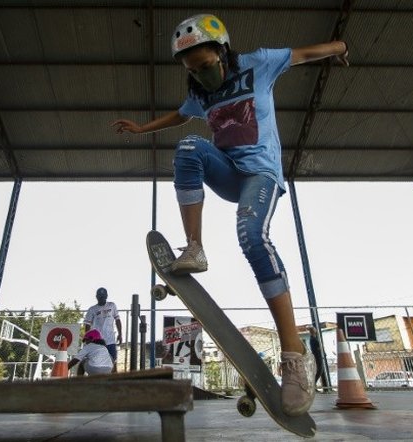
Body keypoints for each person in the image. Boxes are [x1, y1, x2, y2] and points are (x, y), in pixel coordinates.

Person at [112, 14, 348, 416]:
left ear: (222, 52)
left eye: (205, 66)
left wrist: (340, 48)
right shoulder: (199, 93)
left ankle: (295, 357)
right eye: (192, 71)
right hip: (228, 173)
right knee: (189, 146)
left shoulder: (260, 63)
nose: (201, 76)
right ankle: (195, 247)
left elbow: (306, 54)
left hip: (261, 176)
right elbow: (180, 116)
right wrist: (140, 129)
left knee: (252, 237)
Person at [83, 287, 122, 371]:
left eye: (103, 296)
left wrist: (120, 334)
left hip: (110, 340)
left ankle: (115, 379)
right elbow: (87, 325)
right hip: (97, 341)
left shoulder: (112, 305)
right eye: (100, 296)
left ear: (106, 296)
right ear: (96, 297)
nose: (101, 298)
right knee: (95, 362)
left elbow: (117, 320)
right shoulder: (92, 309)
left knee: (113, 362)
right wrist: (87, 338)